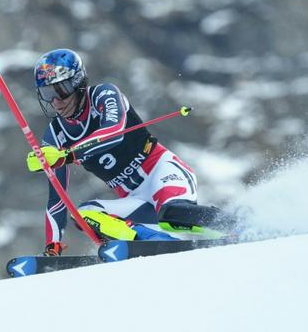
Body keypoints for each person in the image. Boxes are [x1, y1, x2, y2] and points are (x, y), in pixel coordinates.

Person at [27, 48, 234, 257]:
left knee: (171, 215)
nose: (56, 101)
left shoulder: (104, 95)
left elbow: (113, 132)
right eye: (47, 94)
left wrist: (68, 155)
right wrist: (52, 245)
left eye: (60, 90)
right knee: (84, 215)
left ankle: (237, 225)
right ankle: (153, 242)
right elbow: (57, 198)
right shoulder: (55, 135)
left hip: (160, 171)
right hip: (135, 199)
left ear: (77, 83)